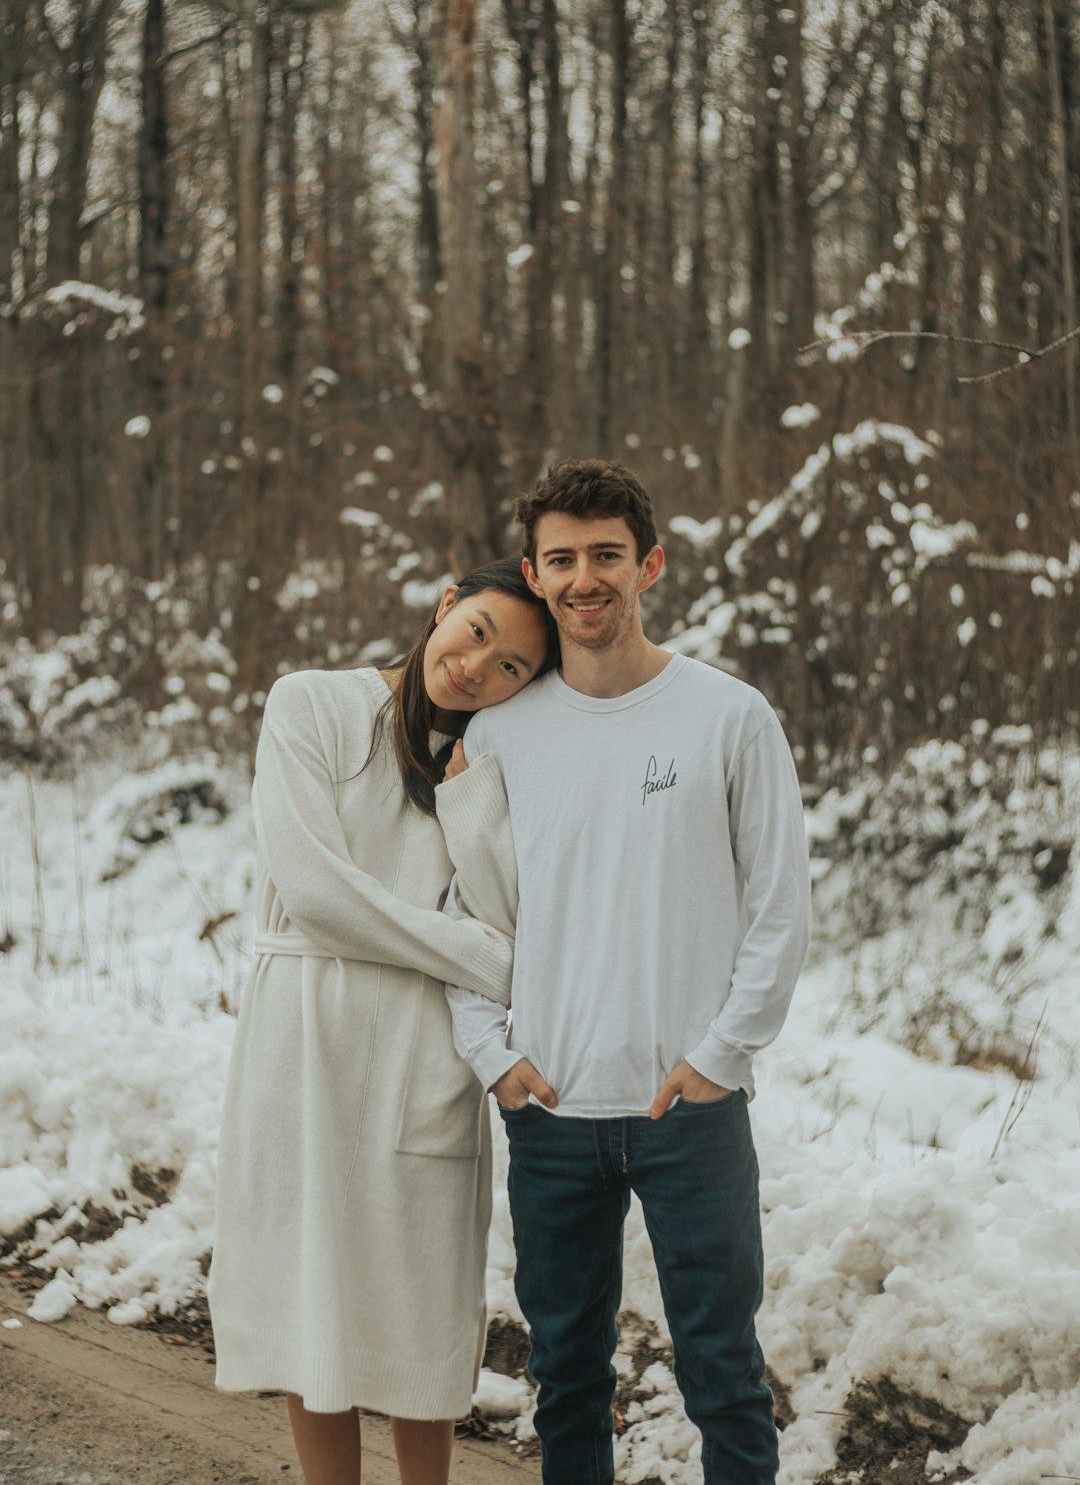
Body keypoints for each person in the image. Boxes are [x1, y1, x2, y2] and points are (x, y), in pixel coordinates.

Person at [436, 460, 812, 1485]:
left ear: (649, 563)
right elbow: (469, 916)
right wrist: (493, 1055)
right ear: (533, 571)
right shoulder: (501, 734)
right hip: (549, 1108)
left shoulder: (728, 717)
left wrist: (721, 1057)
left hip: (687, 1107)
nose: (583, 578)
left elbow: (781, 906)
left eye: (606, 555)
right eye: (561, 559)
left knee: (723, 1371)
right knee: (565, 1376)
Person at [208, 557, 559, 1485]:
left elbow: (505, 915)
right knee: (311, 1290)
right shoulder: (312, 704)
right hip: (305, 1035)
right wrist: (473, 954)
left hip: (422, 1045)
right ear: (446, 603)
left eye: (515, 666)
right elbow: (318, 895)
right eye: (478, 630)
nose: (481, 666)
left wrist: (472, 791)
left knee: (418, 1303)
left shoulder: (490, 761)